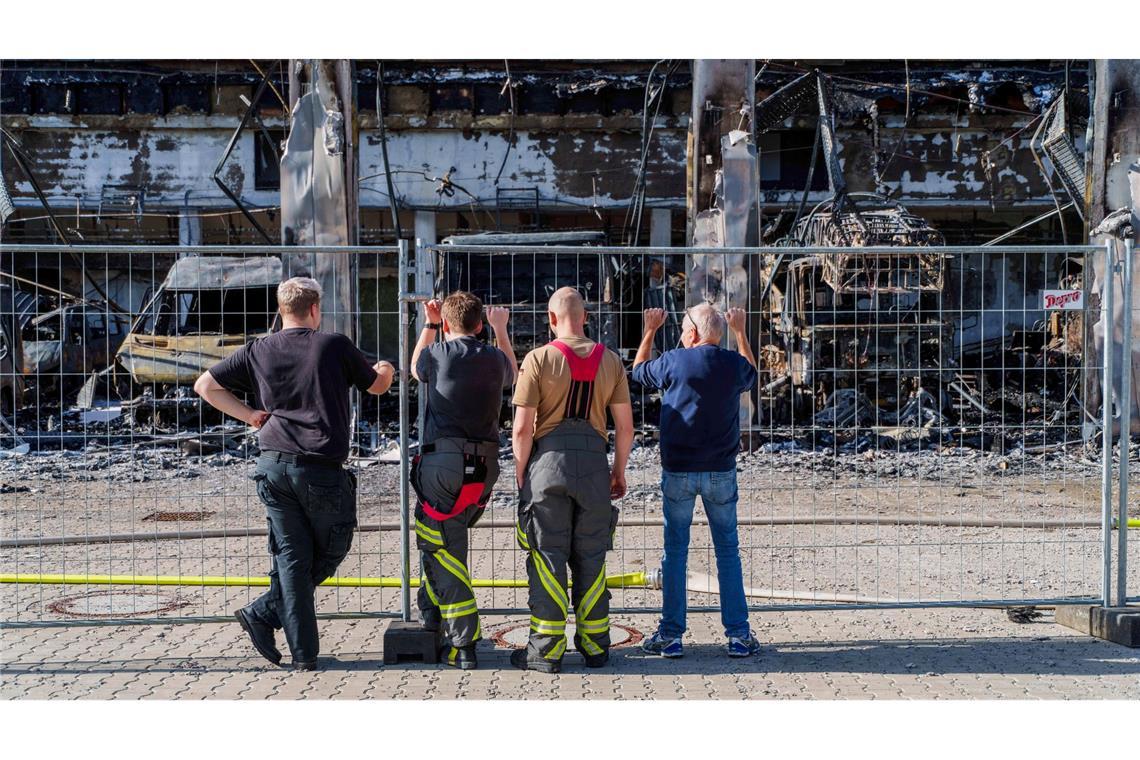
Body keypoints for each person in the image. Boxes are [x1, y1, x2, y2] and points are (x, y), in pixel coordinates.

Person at [193, 276, 394, 671]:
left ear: (281, 309)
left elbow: (206, 385)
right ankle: (265, 612)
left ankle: (297, 649)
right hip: (319, 468)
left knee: (292, 558)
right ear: (315, 309)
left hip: (273, 463)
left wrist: (250, 415)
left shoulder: (258, 349)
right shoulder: (332, 345)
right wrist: (385, 367)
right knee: (331, 549)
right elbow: (377, 386)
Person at [511, 287, 633, 673]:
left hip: (547, 467)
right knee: (592, 558)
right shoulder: (611, 361)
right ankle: (596, 647)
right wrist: (617, 471)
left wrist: (523, 478)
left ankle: (545, 651)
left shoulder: (538, 358)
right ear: (585, 317)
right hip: (595, 468)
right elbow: (626, 428)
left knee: (548, 558)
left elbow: (521, 429)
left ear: (551, 319)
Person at [631, 303, 761, 658]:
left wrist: (650, 329)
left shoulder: (673, 361)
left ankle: (671, 635)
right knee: (728, 552)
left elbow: (638, 371)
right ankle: (738, 634)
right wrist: (740, 332)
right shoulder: (732, 364)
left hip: (679, 470)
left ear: (691, 333)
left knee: (675, 553)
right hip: (721, 470)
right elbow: (752, 373)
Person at [410, 291, 517, 670]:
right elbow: (512, 373)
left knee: (442, 548)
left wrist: (429, 323)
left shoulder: (438, 354)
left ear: (449, 325)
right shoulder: (493, 358)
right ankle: (431, 615)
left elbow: (414, 367)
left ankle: (464, 641)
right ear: (481, 324)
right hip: (484, 466)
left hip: (443, 464)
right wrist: (502, 330)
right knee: (444, 541)